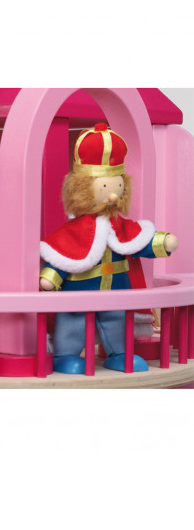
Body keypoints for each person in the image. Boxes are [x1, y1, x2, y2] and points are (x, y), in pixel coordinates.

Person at [39, 123, 178, 374]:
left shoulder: (121, 226)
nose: (113, 196)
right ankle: (65, 355)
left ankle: (118, 354)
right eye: (105, 188)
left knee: (117, 325)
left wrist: (162, 242)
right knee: (72, 325)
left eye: (118, 188)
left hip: (117, 295)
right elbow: (61, 255)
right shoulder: (72, 230)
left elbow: (139, 241)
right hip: (77, 297)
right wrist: (51, 277)